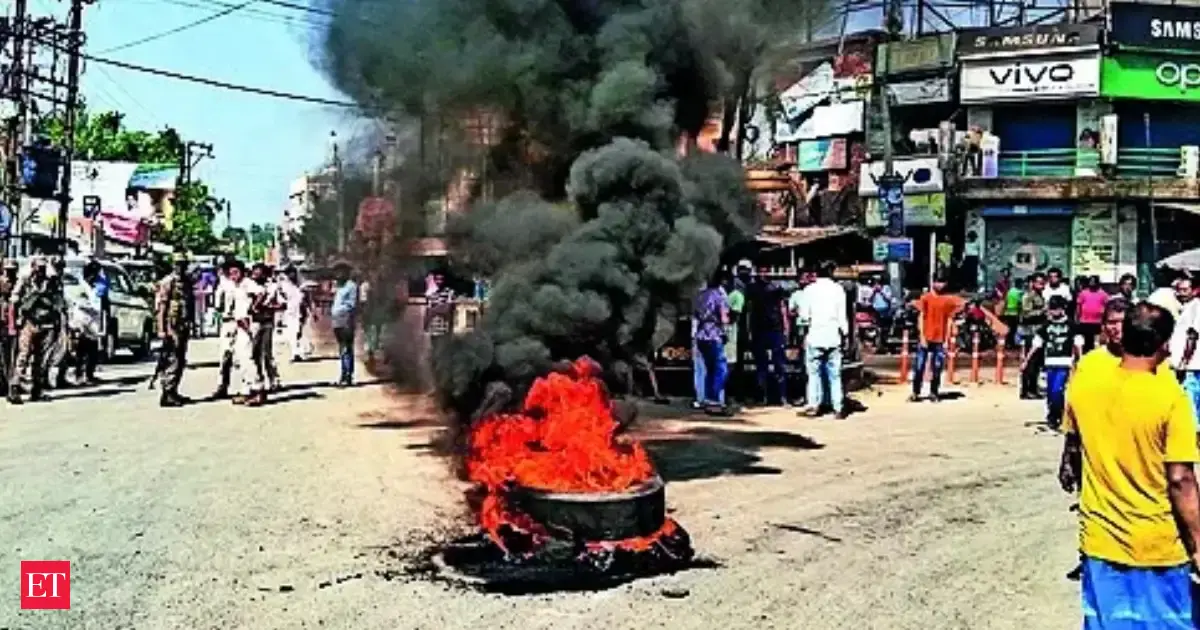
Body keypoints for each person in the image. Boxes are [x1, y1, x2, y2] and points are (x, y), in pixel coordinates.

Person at [1058, 302, 1200, 629]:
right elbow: (1180, 479)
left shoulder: (1084, 386)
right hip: (1159, 546)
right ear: (1164, 343)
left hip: (1100, 542)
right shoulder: (1171, 398)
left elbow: (1075, 445)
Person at [9, 257, 64, 404]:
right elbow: (14, 300)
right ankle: (15, 387)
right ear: (33, 267)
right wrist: (14, 323)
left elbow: (58, 302)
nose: (40, 271)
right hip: (29, 322)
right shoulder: (25, 280)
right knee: (23, 355)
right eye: (38, 268)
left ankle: (37, 390)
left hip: (46, 323)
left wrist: (57, 321)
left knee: (41, 358)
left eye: (43, 268)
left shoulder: (51, 281)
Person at [798, 261, 848, 418]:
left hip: (815, 336)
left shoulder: (809, 290)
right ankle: (838, 407)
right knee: (835, 375)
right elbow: (842, 316)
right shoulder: (838, 289)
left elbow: (804, 317)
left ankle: (814, 405)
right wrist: (845, 334)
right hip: (833, 337)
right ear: (832, 272)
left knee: (814, 374)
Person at [1023, 296, 1080, 429]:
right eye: (1051, 309)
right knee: (1050, 391)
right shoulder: (1046, 325)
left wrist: (1080, 360)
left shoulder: (1071, 325)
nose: (1053, 312)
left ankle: (1058, 414)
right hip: (1049, 362)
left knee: (1057, 390)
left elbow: (1078, 344)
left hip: (1064, 362)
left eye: (1056, 309)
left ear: (1062, 309)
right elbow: (1037, 344)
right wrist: (1026, 361)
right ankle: (1052, 415)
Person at [741, 260, 790, 407]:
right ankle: (761, 397)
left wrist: (786, 327)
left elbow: (782, 307)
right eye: (762, 270)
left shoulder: (777, 288)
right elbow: (748, 311)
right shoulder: (752, 288)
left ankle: (782, 397)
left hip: (775, 329)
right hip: (759, 329)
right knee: (761, 366)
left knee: (779, 365)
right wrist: (749, 331)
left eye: (766, 270)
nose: (764, 273)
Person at [909, 273, 963, 403]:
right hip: (926, 336)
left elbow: (949, 319)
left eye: (943, 282)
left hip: (940, 338)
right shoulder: (926, 298)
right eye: (938, 281)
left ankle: (934, 392)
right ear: (933, 282)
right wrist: (922, 336)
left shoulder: (948, 300)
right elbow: (921, 317)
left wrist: (947, 339)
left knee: (937, 367)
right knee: (919, 366)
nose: (940, 285)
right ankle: (916, 392)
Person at [154, 254, 195, 408]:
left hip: (183, 324)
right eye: (178, 264)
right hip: (172, 325)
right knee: (173, 358)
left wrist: (192, 322)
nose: (180, 267)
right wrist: (162, 329)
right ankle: (168, 392)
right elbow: (162, 307)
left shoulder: (186, 282)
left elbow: (190, 304)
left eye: (183, 264)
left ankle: (173, 390)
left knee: (180, 358)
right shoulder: (168, 282)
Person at [228, 260, 265, 406]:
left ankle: (257, 389)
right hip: (239, 324)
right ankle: (246, 390)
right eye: (231, 273)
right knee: (239, 359)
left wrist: (254, 307)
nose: (233, 276)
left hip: (248, 323)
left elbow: (261, 292)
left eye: (236, 272)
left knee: (248, 358)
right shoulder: (236, 286)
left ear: (242, 272)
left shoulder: (248, 283)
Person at [693, 273, 729, 412]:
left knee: (710, 369)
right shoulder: (720, 296)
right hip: (714, 335)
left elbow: (696, 315)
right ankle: (714, 399)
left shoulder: (700, 296)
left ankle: (708, 399)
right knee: (721, 369)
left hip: (701, 335)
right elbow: (724, 318)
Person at [248, 263, 281, 393]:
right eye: (255, 273)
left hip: (267, 322)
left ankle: (274, 380)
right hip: (252, 322)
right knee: (253, 354)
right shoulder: (248, 286)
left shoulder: (273, 287)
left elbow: (282, 304)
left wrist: (268, 307)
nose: (256, 275)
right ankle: (258, 381)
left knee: (267, 353)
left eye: (259, 273)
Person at [1171, 280, 1200, 420]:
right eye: (1179, 290)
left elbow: (1192, 337)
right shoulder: (1186, 308)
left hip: (1191, 367)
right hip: (1189, 366)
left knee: (1190, 406)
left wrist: (1184, 363)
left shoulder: (1195, 307)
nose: (1181, 293)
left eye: (1185, 290)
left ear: (1193, 291)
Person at [211, 260, 239, 398]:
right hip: (234, 322)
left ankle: (223, 385)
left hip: (231, 322)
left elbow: (217, 305)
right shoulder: (241, 283)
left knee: (227, 356)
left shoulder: (223, 285)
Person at [1019, 272, 1048, 399]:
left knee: (1037, 363)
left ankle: (1033, 388)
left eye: (1043, 283)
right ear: (1032, 283)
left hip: (1038, 332)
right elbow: (1026, 314)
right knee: (1030, 361)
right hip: (1030, 332)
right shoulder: (1028, 297)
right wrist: (1043, 311)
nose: (1041, 285)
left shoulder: (1040, 296)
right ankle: (1026, 390)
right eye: (1039, 283)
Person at [331, 262, 359, 387]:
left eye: (340, 272)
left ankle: (348, 376)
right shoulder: (339, 287)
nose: (337, 275)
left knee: (347, 348)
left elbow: (351, 305)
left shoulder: (351, 286)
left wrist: (339, 311)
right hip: (337, 321)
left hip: (346, 320)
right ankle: (343, 374)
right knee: (342, 349)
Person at [278, 266, 313, 363]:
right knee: (292, 333)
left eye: (292, 273)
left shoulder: (302, 286)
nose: (291, 275)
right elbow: (281, 299)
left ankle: (299, 352)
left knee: (298, 332)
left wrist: (311, 310)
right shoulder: (284, 286)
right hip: (290, 312)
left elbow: (307, 300)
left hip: (301, 312)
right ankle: (295, 353)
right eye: (289, 273)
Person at [425, 270, 456, 362]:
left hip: (445, 327)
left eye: (441, 279)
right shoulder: (431, 293)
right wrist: (426, 324)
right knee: (434, 352)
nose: (439, 281)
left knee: (443, 353)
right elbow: (428, 311)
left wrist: (434, 310)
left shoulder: (450, 292)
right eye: (437, 279)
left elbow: (447, 310)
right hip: (433, 327)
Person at [724, 273, 745, 404]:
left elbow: (735, 316)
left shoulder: (735, 295)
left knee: (730, 365)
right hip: (725, 334)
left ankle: (729, 394)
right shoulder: (726, 295)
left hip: (731, 334)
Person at [1075, 275, 1108, 354]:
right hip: (1084, 321)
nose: (1092, 283)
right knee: (1085, 343)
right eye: (1091, 281)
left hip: (1098, 322)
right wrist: (1077, 318)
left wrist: (1105, 321)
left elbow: (1107, 307)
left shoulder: (1103, 294)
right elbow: (1078, 307)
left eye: (1094, 281)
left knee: (1096, 344)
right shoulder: (1083, 293)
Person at [0, 258, 16, 395]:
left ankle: (9, 385)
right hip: (4, 322)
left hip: (11, 324)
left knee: (9, 357)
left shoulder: (19, 284)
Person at [1001, 277, 1024, 348]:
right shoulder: (1020, 292)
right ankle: (1011, 343)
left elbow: (1006, 301)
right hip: (1014, 313)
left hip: (1008, 312)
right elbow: (1020, 303)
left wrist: (1003, 311)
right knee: (1013, 329)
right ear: (1020, 284)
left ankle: (1008, 343)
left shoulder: (1010, 291)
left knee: (1009, 328)